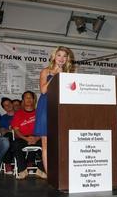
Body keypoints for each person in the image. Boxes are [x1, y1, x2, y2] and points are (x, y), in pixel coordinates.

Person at [34, 46, 74, 174]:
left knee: (62, 141)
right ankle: (49, 174)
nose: (62, 58)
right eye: (59, 55)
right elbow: (43, 90)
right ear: (54, 57)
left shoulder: (69, 74)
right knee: (46, 142)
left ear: (67, 59)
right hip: (46, 106)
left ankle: (62, 172)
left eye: (64, 56)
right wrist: (56, 76)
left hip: (61, 106)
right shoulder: (46, 71)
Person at [11, 91, 46, 179]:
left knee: (51, 145)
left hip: (38, 136)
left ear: (34, 100)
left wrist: (36, 138)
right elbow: (16, 130)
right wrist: (26, 139)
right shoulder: (18, 113)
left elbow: (45, 128)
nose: (29, 99)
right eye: (26, 98)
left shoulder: (40, 112)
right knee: (15, 144)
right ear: (23, 100)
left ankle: (41, 170)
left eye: (30, 97)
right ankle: (22, 170)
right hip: (23, 138)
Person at [0, 97, 15, 174]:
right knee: (7, 139)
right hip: (10, 137)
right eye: (5, 105)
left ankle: (29, 163)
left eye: (9, 104)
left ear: (12, 104)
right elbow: (2, 131)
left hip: (21, 137)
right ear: (4, 108)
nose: (8, 106)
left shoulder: (20, 114)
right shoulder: (3, 118)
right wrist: (12, 131)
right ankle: (8, 164)